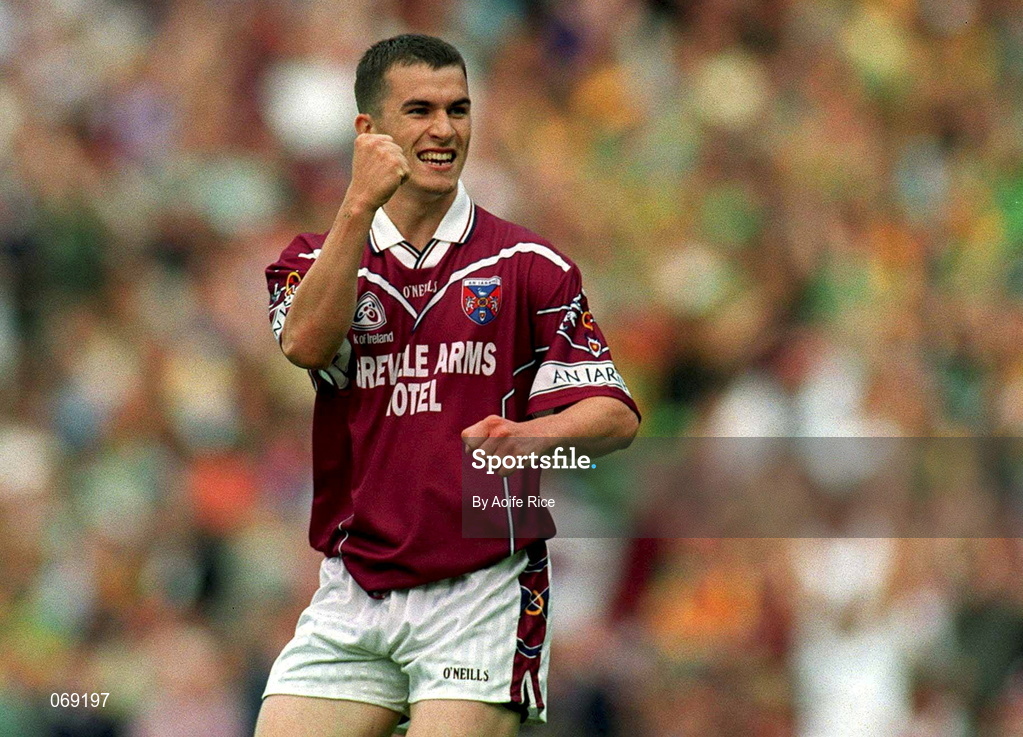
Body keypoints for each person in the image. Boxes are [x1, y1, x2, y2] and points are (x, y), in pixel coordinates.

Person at [257, 34, 640, 737]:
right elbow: (305, 343)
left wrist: (532, 436)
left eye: (458, 110)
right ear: (368, 132)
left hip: (480, 588)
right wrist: (356, 208)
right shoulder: (311, 258)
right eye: (420, 110)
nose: (444, 130)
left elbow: (613, 416)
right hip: (354, 587)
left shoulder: (530, 264)